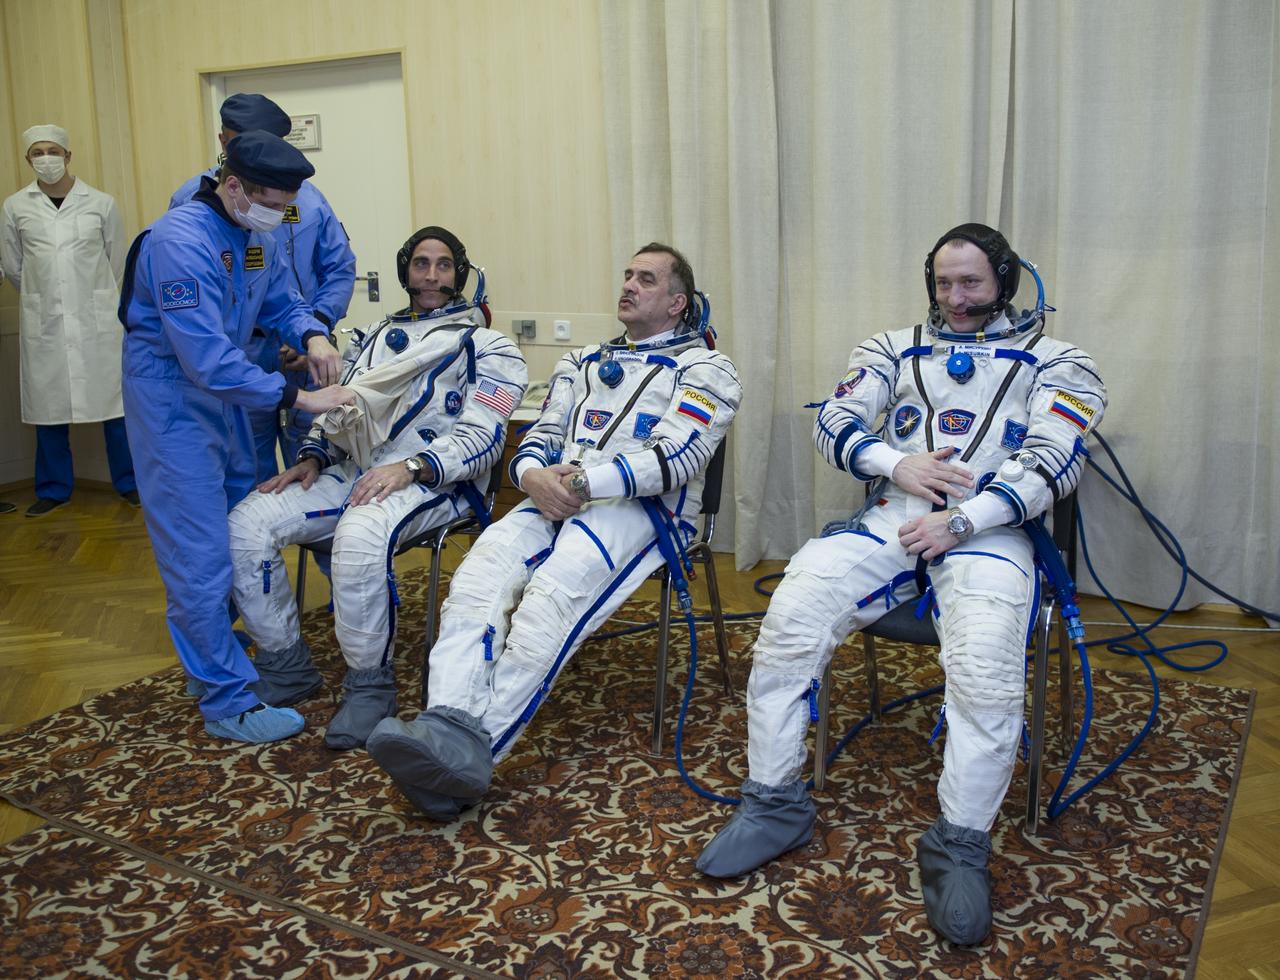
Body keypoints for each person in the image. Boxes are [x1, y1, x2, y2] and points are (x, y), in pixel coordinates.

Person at [696, 225, 1107, 946]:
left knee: (984, 669)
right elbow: (834, 421)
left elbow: (1055, 461)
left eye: (971, 284)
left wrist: (966, 519)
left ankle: (959, 844)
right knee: (790, 616)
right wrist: (896, 464)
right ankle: (773, 802)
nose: (955, 298)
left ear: (1004, 280)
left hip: (991, 528)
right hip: (895, 512)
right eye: (944, 283)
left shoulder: (1060, 362)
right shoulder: (891, 348)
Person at [366, 243, 742, 820]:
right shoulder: (582, 361)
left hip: (641, 511)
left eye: (646, 279)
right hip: (554, 497)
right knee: (478, 577)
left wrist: (587, 482)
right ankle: (443, 722)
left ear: (676, 302)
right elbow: (539, 433)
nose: (629, 285)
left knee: (548, 602)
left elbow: (680, 457)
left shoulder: (708, 371)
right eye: (627, 275)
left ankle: (475, 749)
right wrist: (531, 475)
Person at [227, 226, 527, 750]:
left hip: (438, 480)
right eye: (420, 264)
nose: (431, 275)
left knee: (360, 534)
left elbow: (483, 438)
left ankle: (370, 686)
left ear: (460, 273)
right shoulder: (371, 338)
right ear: (404, 270)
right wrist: (313, 455)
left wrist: (411, 467)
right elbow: (340, 408)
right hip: (354, 471)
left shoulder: (487, 346)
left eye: (443, 265)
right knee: (248, 522)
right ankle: (285, 663)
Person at [119, 130, 351, 744]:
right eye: (270, 202)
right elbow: (205, 358)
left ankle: (212, 659)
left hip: (227, 408)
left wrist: (313, 335)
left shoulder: (253, 235)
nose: (277, 215)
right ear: (231, 185)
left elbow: (281, 299)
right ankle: (225, 702)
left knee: (237, 530)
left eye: (285, 206)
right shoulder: (179, 241)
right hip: (175, 408)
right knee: (197, 559)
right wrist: (302, 397)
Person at [170, 93, 356, 481]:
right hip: (238, 355)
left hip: (301, 355)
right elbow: (202, 337)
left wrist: (314, 332)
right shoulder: (195, 209)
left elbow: (335, 268)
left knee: (314, 463)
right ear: (226, 143)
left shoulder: (307, 197)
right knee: (246, 472)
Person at [1, 124, 136, 517]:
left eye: (53, 151)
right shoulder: (15, 206)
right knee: (49, 409)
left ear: (68, 155)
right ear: (28, 160)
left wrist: (89, 298)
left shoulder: (101, 203)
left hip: (96, 321)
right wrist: (47, 296)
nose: (46, 158)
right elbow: (14, 267)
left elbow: (116, 264)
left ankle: (128, 482)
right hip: (45, 322)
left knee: (114, 406)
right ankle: (54, 489)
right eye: (38, 152)